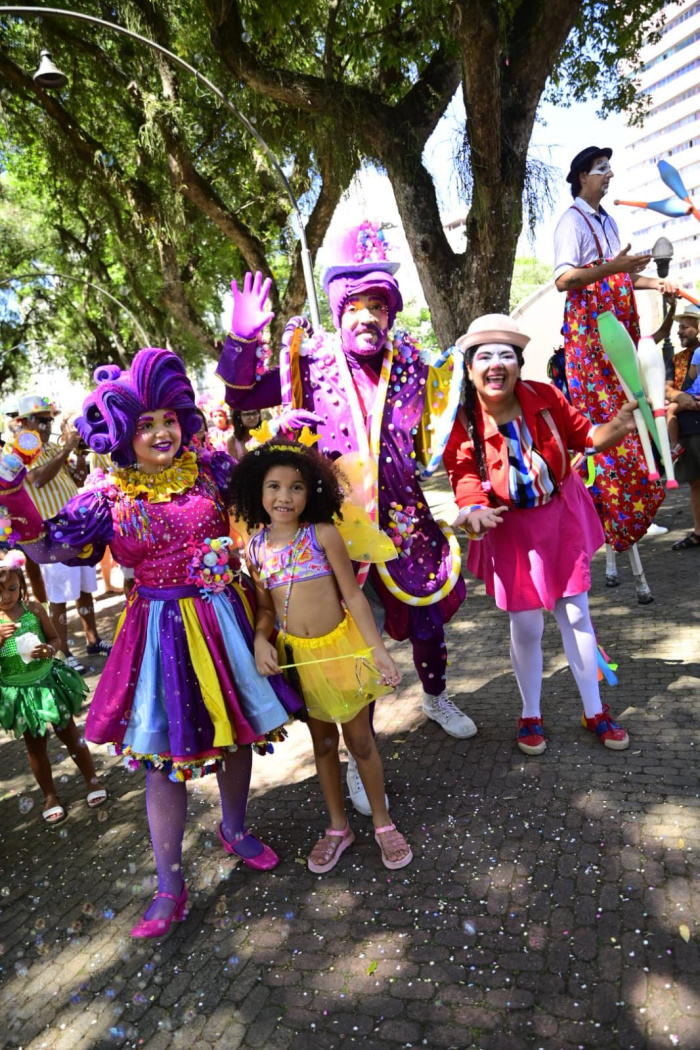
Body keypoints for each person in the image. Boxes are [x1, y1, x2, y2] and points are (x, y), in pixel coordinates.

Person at [4, 349, 304, 938]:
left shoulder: (210, 467)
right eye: (145, 424)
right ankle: (170, 884)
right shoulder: (105, 495)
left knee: (237, 731)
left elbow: (264, 470)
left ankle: (235, 829)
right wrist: (13, 496)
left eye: (168, 418)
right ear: (122, 432)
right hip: (159, 636)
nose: (162, 432)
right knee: (162, 763)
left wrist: (242, 370)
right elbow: (51, 545)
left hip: (226, 623)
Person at [217, 224, 473, 816]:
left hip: (406, 526)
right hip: (334, 535)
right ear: (338, 311)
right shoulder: (306, 358)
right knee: (350, 648)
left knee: (429, 623)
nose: (366, 317)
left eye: (377, 306)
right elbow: (243, 399)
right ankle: (364, 754)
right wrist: (241, 342)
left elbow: (454, 432)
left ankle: (435, 697)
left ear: (390, 312)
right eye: (354, 307)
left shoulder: (412, 362)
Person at [443, 314, 633, 755]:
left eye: (505, 355)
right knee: (526, 627)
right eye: (484, 356)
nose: (495, 364)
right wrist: (472, 511)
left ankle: (594, 709)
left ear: (518, 364)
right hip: (511, 531)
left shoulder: (545, 397)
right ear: (470, 369)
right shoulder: (463, 420)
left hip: (561, 518)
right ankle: (531, 713)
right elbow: (463, 475)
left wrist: (620, 425)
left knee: (576, 616)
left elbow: (588, 436)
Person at [232, 438, 412, 872]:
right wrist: (260, 640)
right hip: (300, 660)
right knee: (324, 744)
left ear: (312, 492)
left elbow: (353, 594)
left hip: (343, 651)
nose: (284, 496)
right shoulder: (255, 549)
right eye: (273, 486)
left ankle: (383, 823)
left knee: (361, 742)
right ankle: (338, 827)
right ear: (258, 492)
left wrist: (379, 652)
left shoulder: (322, 534)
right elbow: (265, 609)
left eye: (296, 487)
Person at [553, 146, 672, 600]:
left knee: (637, 423)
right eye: (602, 170)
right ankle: (618, 528)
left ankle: (625, 529)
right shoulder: (572, 221)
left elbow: (612, 276)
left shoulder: (606, 220)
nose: (609, 175)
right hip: (593, 345)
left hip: (619, 335)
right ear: (583, 176)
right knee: (612, 437)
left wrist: (645, 279)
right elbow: (566, 280)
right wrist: (616, 267)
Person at [0, 550, 106, 823]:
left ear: (20, 583)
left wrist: (49, 649)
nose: (7, 597)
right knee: (35, 746)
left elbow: (55, 640)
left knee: (69, 734)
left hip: (47, 684)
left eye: (12, 588)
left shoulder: (34, 609)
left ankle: (92, 780)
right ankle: (50, 795)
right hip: (20, 693)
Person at [15, 394, 113, 671]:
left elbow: (79, 480)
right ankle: (63, 652)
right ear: (24, 422)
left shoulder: (47, 448)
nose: (48, 425)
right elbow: (39, 479)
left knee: (84, 589)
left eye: (50, 419)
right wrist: (66, 449)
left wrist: (80, 457)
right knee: (59, 596)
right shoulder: (22, 449)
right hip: (51, 534)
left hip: (75, 529)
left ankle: (93, 640)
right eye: (42, 420)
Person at [664, 305, 700, 549]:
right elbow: (665, 389)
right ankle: (699, 532)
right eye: (679, 327)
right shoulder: (675, 360)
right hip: (688, 425)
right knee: (695, 481)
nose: (680, 332)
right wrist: (679, 396)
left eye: (685, 327)